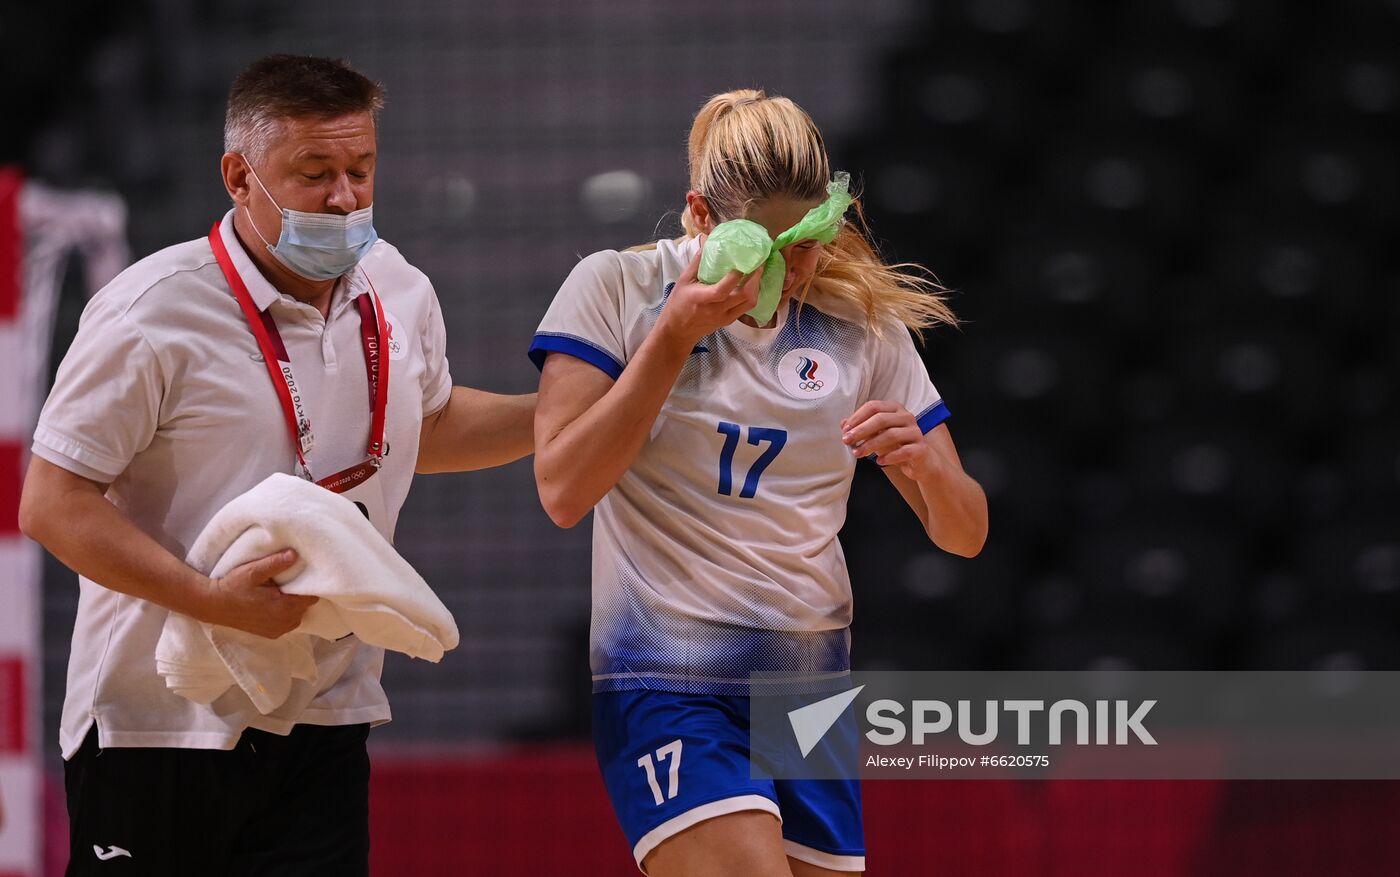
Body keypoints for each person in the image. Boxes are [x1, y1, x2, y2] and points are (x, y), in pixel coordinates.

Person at [18, 55, 534, 876]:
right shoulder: (149, 308)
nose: (344, 197)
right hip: (156, 723)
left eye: (361, 169)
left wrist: (563, 416)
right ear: (239, 176)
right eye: (315, 172)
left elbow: (423, 427)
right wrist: (212, 602)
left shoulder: (398, 288)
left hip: (324, 716)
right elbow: (50, 503)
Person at [530, 89, 989, 876]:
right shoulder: (617, 290)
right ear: (701, 217)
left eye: (806, 242)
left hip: (807, 689)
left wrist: (926, 462)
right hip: (665, 676)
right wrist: (672, 338)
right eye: (761, 245)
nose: (788, 267)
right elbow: (564, 488)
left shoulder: (858, 324)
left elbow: (966, 532)